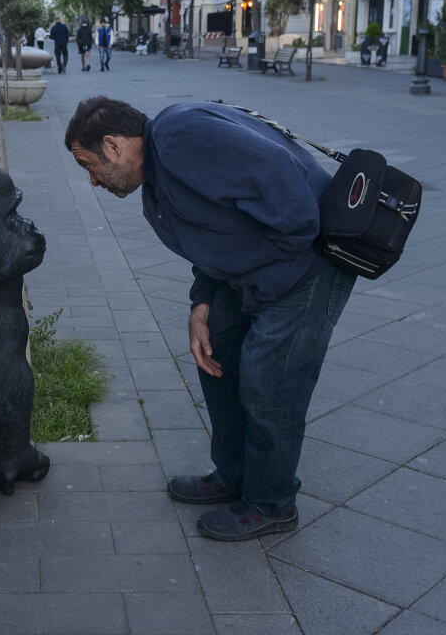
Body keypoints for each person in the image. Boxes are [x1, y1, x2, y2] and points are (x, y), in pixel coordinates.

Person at [64, 98, 356, 541]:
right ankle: (234, 476)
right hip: (259, 268)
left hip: (305, 265)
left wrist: (264, 277)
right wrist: (201, 304)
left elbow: (288, 193)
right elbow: (215, 233)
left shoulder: (180, 138)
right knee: (217, 346)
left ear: (114, 145)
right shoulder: (158, 177)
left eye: (90, 166)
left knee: (269, 381)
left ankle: (272, 503)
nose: (92, 181)